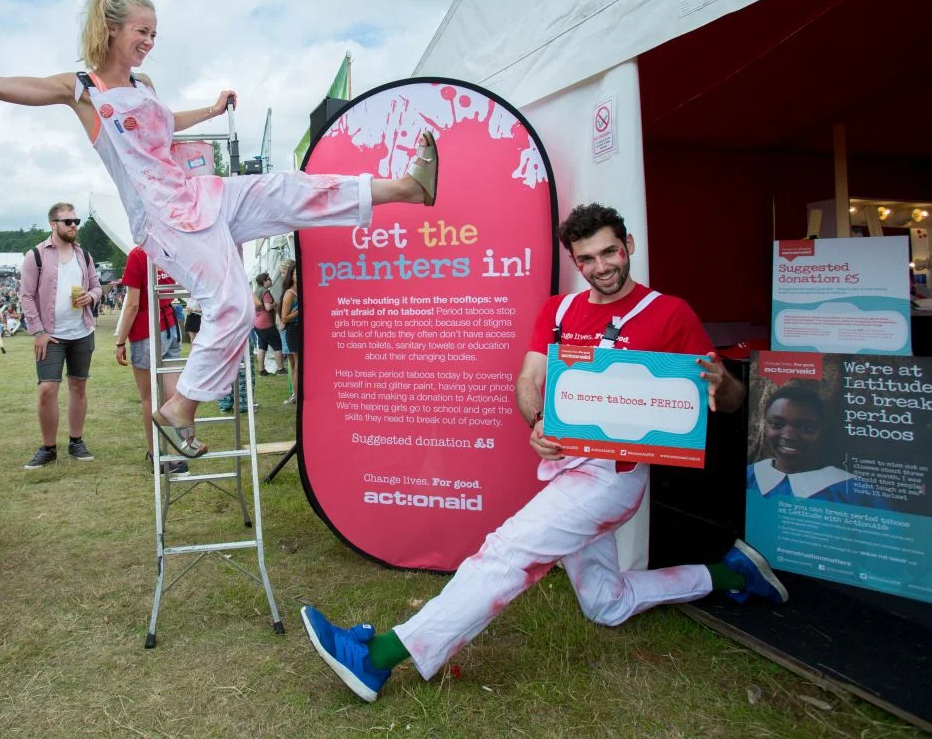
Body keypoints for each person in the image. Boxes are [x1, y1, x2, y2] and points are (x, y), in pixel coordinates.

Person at [0, 0, 439, 458]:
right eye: (142, 31)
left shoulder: (145, 82)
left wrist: (207, 110)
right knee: (230, 304)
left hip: (200, 193)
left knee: (287, 188)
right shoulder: (83, 90)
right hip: (165, 218)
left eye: (154, 32)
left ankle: (407, 189)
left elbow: (164, 125)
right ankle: (181, 408)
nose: (149, 41)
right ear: (111, 29)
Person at [300, 203, 788, 703]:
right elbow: (528, 381)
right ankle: (735, 573)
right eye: (587, 259)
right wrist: (535, 421)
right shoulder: (559, 310)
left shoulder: (669, 313)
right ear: (576, 261)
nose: (601, 266)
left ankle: (380, 657)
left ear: (629, 247)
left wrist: (719, 382)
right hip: (563, 466)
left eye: (609, 252)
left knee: (506, 554)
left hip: (612, 477)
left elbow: (732, 401)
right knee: (605, 602)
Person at [18, 203, 102, 470]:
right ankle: (48, 447)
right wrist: (39, 332)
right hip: (50, 335)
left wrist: (92, 296)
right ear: (53, 224)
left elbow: (97, 286)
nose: (74, 225)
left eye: (76, 221)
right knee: (47, 389)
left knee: (78, 387)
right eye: (68, 221)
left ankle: (76, 441)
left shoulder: (84, 255)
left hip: (82, 330)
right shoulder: (36, 255)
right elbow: (26, 296)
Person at [748, 385, 884, 505]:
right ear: (763, 426)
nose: (789, 436)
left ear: (823, 430)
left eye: (806, 428)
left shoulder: (853, 490)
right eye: (776, 424)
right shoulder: (750, 476)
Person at [116, 245, 186, 474]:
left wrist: (120, 340)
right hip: (169, 326)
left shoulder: (138, 254)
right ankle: (177, 455)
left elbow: (133, 304)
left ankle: (156, 452)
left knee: (149, 398)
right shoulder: (170, 247)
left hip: (146, 330)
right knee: (172, 395)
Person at [278, 260, 300, 405]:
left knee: (297, 364)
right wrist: (299, 312)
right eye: (295, 274)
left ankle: (297, 395)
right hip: (293, 330)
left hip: (298, 329)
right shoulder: (290, 293)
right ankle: (297, 396)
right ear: (291, 276)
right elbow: (284, 317)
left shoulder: (298, 290)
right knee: (297, 364)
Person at [252, 273, 282, 376]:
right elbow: (268, 307)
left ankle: (262, 370)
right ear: (264, 281)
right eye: (269, 279)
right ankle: (280, 368)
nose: (271, 280)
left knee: (262, 346)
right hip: (266, 324)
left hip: (257, 323)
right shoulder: (265, 292)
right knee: (278, 346)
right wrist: (276, 303)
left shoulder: (257, 290)